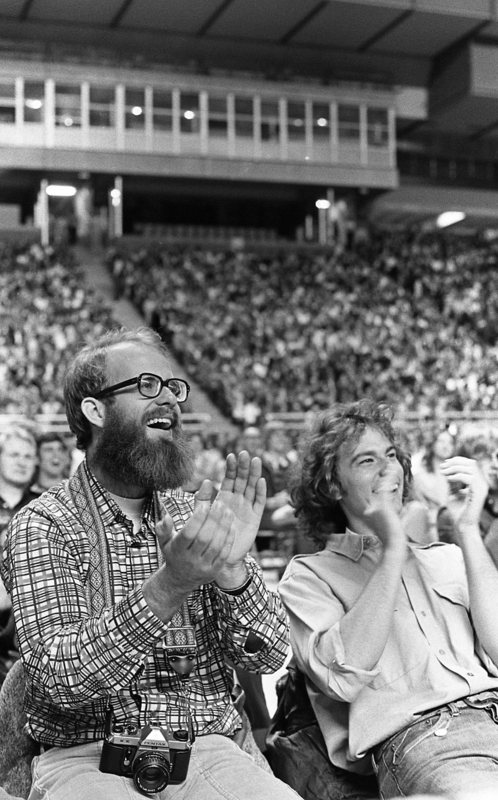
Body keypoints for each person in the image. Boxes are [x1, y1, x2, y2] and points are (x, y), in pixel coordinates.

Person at [2, 327, 297, 800]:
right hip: (85, 758)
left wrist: (232, 569)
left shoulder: (195, 514)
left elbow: (270, 656)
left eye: (172, 387)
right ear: (94, 410)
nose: (169, 401)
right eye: (145, 386)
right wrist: (169, 586)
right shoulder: (42, 524)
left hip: (207, 750)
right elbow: (61, 680)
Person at [279, 399, 498, 798]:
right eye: (366, 461)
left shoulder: (448, 556)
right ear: (332, 485)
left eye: (391, 455)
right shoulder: (308, 576)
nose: (388, 470)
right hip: (427, 739)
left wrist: (468, 530)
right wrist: (393, 546)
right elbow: (342, 678)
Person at [0, 427, 38, 685]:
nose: (21, 462)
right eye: (14, 455)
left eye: (27, 456)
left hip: (30, 635)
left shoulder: (46, 505)